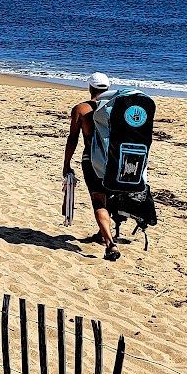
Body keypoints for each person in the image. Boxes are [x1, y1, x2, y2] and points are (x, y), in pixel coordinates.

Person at [63, 71, 121, 261]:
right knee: (108, 198)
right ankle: (100, 233)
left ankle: (110, 243)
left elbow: (73, 139)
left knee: (98, 202)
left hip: (92, 160)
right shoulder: (117, 107)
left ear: (90, 88)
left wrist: (67, 164)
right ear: (107, 88)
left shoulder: (80, 109)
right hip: (115, 161)